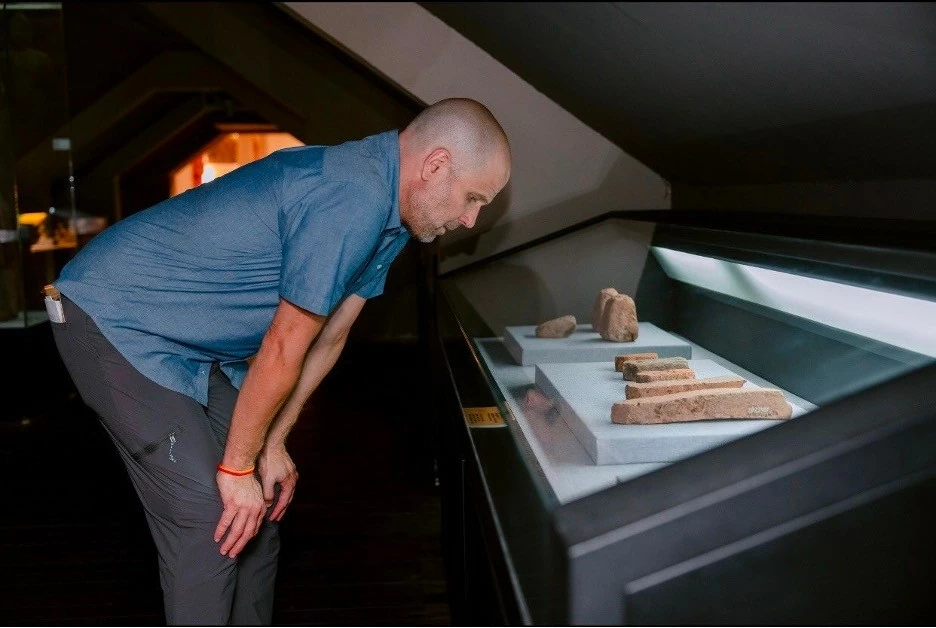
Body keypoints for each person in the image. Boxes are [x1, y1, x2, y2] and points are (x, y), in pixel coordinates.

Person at [50, 97, 511, 625]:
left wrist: (271, 445)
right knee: (210, 518)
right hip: (111, 318)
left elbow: (331, 337)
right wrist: (237, 464)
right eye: (473, 198)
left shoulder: (392, 216)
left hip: (190, 346)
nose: (470, 218)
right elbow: (285, 343)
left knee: (258, 507)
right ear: (436, 166)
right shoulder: (353, 195)